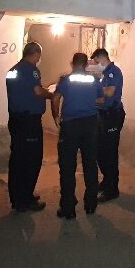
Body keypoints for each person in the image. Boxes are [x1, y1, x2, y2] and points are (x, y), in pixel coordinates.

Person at [52, 52, 101, 219]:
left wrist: (56, 116)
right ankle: (91, 205)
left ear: (72, 63)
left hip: (70, 126)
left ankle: (68, 209)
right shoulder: (93, 79)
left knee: (67, 167)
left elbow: (55, 98)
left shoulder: (65, 80)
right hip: (90, 124)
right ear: (86, 65)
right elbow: (100, 99)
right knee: (90, 164)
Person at [5, 42, 50, 212]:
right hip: (29, 122)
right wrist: (51, 94)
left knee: (17, 158)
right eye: (39, 55)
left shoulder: (13, 70)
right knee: (32, 159)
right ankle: (26, 199)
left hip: (16, 119)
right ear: (36, 54)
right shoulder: (31, 70)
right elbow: (38, 91)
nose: (39, 58)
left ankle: (17, 197)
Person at [91, 47, 125, 202]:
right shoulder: (103, 74)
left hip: (112, 116)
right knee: (100, 151)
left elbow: (110, 92)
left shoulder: (113, 72)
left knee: (109, 152)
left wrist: (93, 89)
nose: (95, 64)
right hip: (102, 115)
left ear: (102, 58)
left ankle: (112, 188)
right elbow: (101, 97)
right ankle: (106, 181)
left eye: (96, 61)